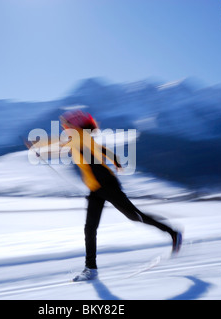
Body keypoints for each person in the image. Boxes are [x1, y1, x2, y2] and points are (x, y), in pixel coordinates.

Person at [26, 109, 182, 281]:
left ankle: (172, 232)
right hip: (95, 189)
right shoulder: (77, 140)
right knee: (90, 228)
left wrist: (38, 144)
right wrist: (115, 160)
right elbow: (76, 149)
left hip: (107, 185)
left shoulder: (80, 137)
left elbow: (58, 143)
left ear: (76, 125)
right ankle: (90, 269)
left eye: (67, 124)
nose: (64, 127)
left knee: (134, 216)